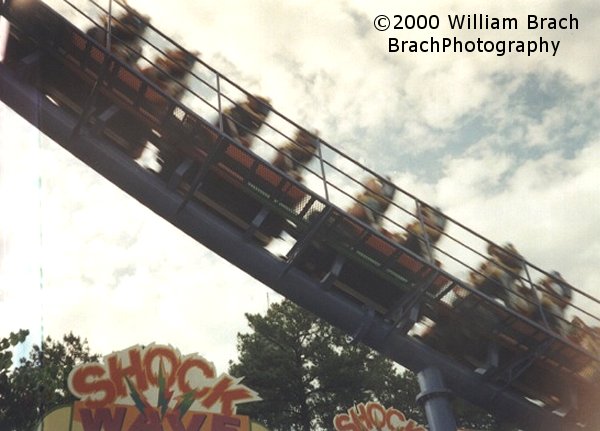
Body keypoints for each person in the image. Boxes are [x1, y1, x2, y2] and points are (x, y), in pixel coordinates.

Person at [86, 5, 150, 64]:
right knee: (92, 31)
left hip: (113, 42)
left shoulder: (135, 30)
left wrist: (111, 22)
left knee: (93, 32)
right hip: (108, 37)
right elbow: (116, 29)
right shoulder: (128, 23)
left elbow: (128, 29)